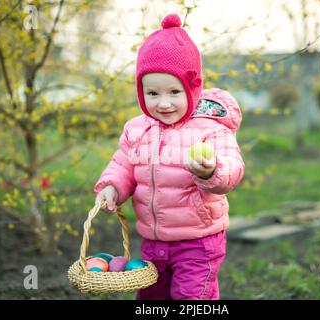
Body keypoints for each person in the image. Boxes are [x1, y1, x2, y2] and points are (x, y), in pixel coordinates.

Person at [94, 13, 245, 300]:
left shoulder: (209, 129)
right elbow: (124, 164)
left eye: (174, 92)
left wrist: (210, 171)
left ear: (192, 88)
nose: (163, 103)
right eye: (152, 93)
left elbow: (233, 169)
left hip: (198, 241)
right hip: (152, 242)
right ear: (141, 93)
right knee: (151, 298)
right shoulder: (137, 129)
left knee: (192, 298)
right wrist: (111, 187)